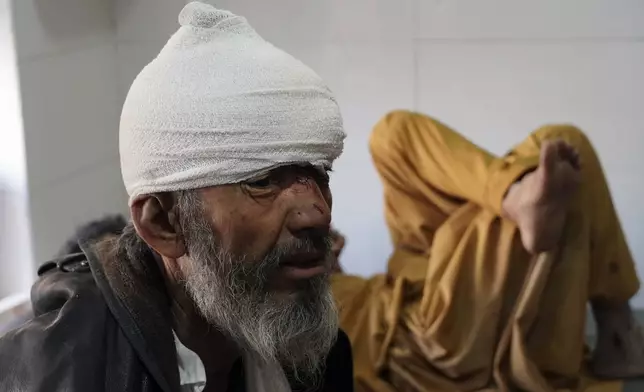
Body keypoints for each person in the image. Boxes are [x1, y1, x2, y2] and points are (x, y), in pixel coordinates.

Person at [0, 3, 354, 392]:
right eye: (262, 180)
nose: (318, 213)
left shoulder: (315, 354)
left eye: (320, 174)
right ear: (164, 223)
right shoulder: (57, 375)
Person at [330, 110, 643, 392]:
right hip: (429, 333)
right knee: (564, 143)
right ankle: (617, 329)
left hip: (437, 282)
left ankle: (515, 193)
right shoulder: (303, 302)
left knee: (392, 138)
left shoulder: (338, 283)